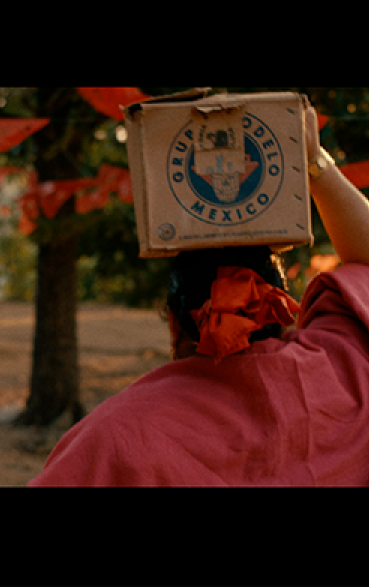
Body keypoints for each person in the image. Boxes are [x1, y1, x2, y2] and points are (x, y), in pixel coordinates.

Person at [30, 102, 369, 486]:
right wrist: (313, 160)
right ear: (279, 309)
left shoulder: (112, 438)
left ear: (176, 325)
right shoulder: (349, 372)